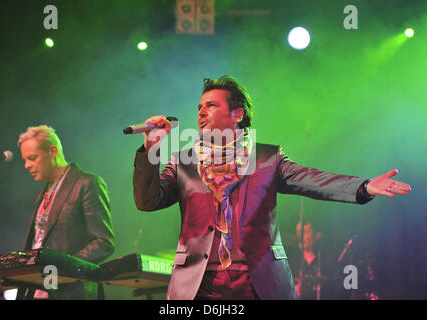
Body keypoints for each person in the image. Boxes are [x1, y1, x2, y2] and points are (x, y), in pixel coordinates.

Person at [132, 75, 411, 300]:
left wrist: (364, 187)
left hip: (258, 285)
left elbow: (313, 179)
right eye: (199, 107)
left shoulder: (267, 159)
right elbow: (147, 200)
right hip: (199, 287)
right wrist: (150, 149)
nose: (201, 113)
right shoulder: (184, 162)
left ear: (237, 114)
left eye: (211, 106)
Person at [17, 125, 115, 300]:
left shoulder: (86, 183)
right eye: (25, 160)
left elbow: (103, 242)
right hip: (41, 288)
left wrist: (63, 266)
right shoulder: (43, 192)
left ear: (52, 151)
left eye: (32, 158)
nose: (27, 165)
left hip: (72, 290)